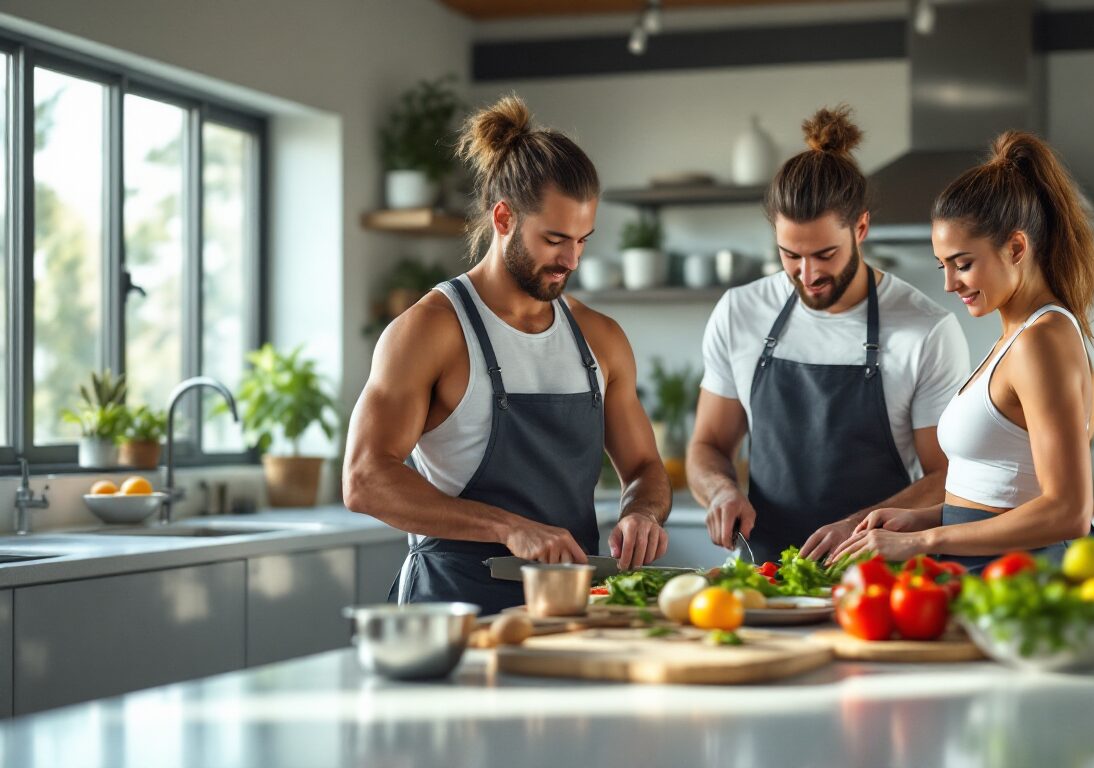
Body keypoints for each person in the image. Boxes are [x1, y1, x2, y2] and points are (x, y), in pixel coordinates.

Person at [343, 95, 670, 614]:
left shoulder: (600, 339)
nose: (571, 261)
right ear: (503, 218)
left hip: (566, 610)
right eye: (555, 239)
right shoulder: (431, 329)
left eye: (583, 241)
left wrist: (643, 514)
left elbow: (646, 466)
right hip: (452, 611)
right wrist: (506, 526)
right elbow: (365, 479)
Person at [687, 106, 971, 564]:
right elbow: (708, 445)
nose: (807, 274)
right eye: (790, 255)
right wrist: (720, 492)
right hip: (766, 573)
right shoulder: (740, 312)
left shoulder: (926, 330)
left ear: (860, 228)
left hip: (880, 574)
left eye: (825, 254)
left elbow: (947, 476)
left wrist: (857, 527)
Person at [829, 130, 1094, 571]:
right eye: (944, 265)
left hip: (1017, 584)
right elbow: (1002, 496)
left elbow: (1068, 511)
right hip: (982, 572)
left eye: (963, 263)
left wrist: (925, 540)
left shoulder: (1041, 341)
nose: (949, 283)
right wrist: (918, 520)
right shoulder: (1015, 338)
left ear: (1016, 248)